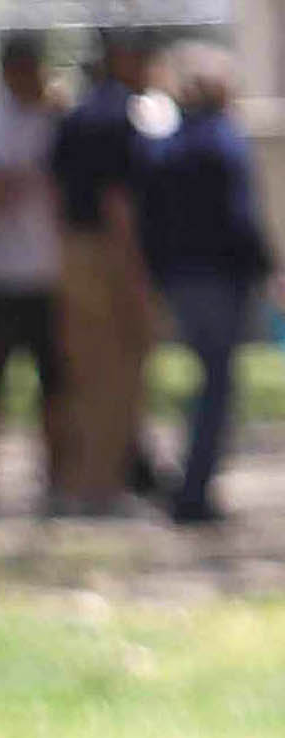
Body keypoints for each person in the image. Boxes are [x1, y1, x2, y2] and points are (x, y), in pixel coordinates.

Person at [138, 46, 276, 526]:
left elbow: (150, 222)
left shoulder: (165, 146)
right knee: (216, 382)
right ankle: (194, 489)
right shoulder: (223, 142)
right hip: (219, 277)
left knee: (204, 380)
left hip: (181, 278)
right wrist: (263, 269)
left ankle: (188, 480)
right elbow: (240, 218)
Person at [51, 32, 157, 511]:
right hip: (110, 253)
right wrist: (134, 271)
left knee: (83, 370)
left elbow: (53, 190)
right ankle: (105, 484)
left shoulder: (73, 115)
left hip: (72, 251)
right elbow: (119, 203)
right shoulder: (119, 117)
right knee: (117, 372)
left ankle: (78, 479)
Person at [0, 32, 65, 512]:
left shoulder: (56, 126)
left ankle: (55, 475)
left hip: (48, 275)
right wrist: (29, 177)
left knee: (54, 385)